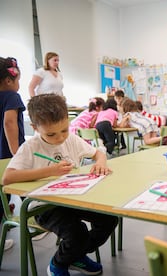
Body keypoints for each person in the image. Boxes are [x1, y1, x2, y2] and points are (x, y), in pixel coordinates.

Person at [1, 94, 118, 276]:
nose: (60, 138)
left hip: (72, 198)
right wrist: (49, 171)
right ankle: (59, 263)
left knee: (109, 219)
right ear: (35, 128)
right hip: (43, 205)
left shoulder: (70, 139)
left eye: (64, 130)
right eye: (51, 134)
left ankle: (74, 255)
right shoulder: (30, 147)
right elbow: (7, 178)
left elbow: (98, 153)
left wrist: (101, 162)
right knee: (76, 233)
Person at [0, 56, 26, 251]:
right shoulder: (11, 97)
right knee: (23, 184)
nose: (19, 85)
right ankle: (35, 222)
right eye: (18, 80)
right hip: (7, 153)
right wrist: (16, 150)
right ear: (9, 80)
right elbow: (9, 121)